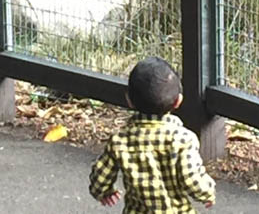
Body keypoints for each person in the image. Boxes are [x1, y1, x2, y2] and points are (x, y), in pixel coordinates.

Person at [89, 56, 216, 212]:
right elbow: (191, 179)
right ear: (178, 101)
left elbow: (100, 176)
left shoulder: (120, 141)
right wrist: (207, 192)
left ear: (129, 100)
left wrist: (103, 192)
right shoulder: (182, 139)